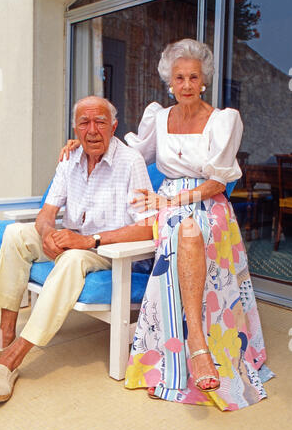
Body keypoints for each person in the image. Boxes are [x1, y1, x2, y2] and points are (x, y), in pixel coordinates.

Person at [59, 39, 274, 411]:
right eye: (179, 77)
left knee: (188, 228)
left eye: (193, 76)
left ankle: (196, 344)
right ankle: (193, 346)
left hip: (205, 204)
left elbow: (218, 182)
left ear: (203, 80)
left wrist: (172, 201)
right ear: (169, 82)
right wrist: (81, 144)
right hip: (165, 206)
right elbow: (125, 151)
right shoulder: (158, 117)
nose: (186, 84)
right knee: (180, 229)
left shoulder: (224, 120)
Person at [0, 95, 155, 403]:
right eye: (85, 122)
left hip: (106, 248)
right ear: (75, 128)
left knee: (71, 258)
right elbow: (48, 211)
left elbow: (147, 227)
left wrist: (88, 241)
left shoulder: (130, 162)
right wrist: (46, 232)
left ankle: (10, 361)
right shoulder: (71, 157)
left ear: (114, 126)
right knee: (16, 233)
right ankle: (6, 334)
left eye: (100, 121)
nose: (92, 130)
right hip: (72, 238)